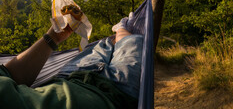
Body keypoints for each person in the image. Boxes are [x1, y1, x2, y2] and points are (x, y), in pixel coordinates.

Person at [0, 14, 143, 109]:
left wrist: (54, 37)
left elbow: (11, 74)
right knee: (133, 42)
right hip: (113, 94)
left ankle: (119, 31)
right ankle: (123, 27)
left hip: (71, 77)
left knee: (103, 45)